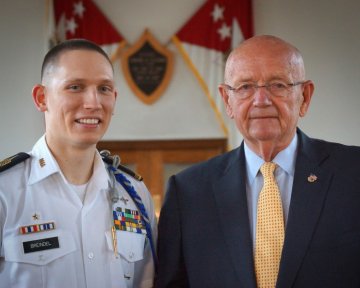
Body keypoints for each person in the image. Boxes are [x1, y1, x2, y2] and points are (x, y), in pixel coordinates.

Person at [155, 35, 360, 288]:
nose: (261, 100)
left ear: (305, 97)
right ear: (228, 100)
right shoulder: (187, 192)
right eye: (245, 87)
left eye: (278, 85)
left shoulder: (353, 174)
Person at [0, 39, 157, 288]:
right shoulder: (5, 192)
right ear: (42, 98)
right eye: (75, 87)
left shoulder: (134, 194)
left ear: (114, 98)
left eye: (104, 89)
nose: (93, 103)